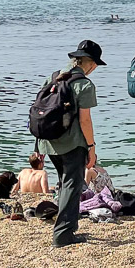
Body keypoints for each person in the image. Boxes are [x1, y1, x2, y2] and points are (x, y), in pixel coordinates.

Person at [34, 40, 103, 248]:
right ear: (90, 63)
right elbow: (85, 121)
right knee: (72, 185)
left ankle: (66, 228)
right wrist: (91, 147)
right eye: (96, 65)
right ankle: (64, 233)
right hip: (72, 144)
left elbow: (40, 110)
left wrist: (38, 146)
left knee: (65, 183)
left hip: (49, 141)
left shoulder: (53, 78)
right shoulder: (84, 85)